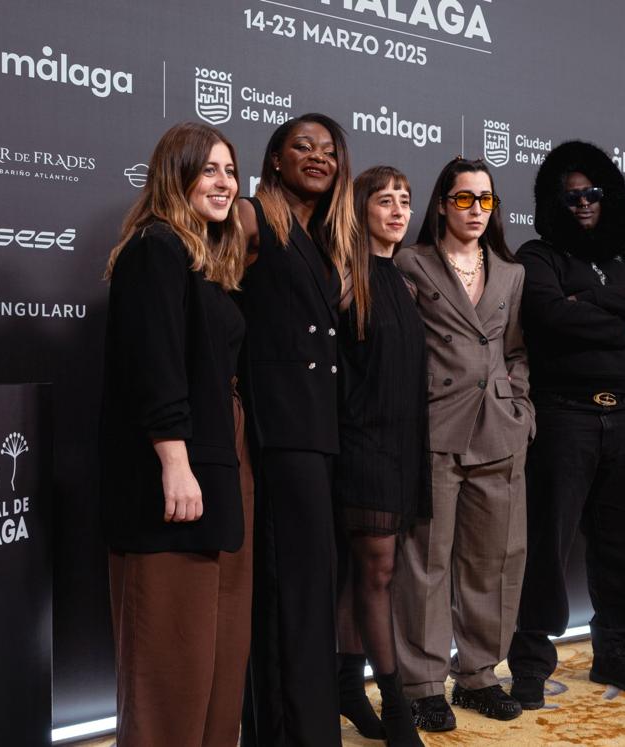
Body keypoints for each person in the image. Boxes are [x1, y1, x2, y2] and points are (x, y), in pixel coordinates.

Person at [506, 141, 625, 706]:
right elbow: (550, 316)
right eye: (570, 195)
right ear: (555, 200)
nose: (582, 203)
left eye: (592, 193)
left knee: (618, 548)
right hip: (565, 417)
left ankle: (617, 654)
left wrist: (594, 299)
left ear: (611, 196)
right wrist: (621, 326)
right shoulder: (538, 253)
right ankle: (531, 662)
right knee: (546, 547)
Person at [99, 121, 252, 747]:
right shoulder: (154, 248)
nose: (224, 183)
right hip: (174, 475)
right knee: (169, 662)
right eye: (209, 169)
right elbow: (155, 364)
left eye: (230, 170)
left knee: (216, 659)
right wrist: (174, 461)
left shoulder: (203, 260)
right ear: (175, 174)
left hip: (219, 464)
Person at [392, 157, 533, 732]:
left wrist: (521, 409)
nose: (476, 210)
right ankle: (423, 683)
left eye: (486, 200)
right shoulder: (411, 262)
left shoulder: (511, 272)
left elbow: (518, 351)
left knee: (495, 559)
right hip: (434, 427)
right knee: (425, 562)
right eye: (464, 199)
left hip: (499, 429)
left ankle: (478, 674)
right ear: (442, 204)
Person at [236, 113, 359, 746]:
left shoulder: (325, 237)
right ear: (276, 159)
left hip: (321, 431)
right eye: (302, 147)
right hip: (281, 433)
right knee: (291, 592)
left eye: (329, 151)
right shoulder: (252, 216)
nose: (317, 157)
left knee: (312, 592)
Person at [334, 166, 429, 747]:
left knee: (361, 575)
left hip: (402, 446)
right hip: (359, 446)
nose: (398, 211)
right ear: (359, 208)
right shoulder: (347, 278)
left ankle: (348, 685)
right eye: (384, 201)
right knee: (377, 573)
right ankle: (395, 705)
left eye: (405, 201)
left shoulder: (404, 280)